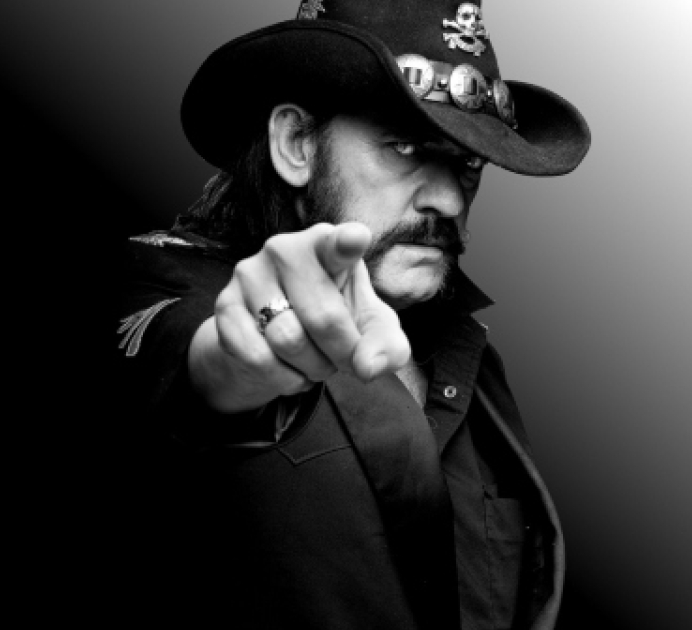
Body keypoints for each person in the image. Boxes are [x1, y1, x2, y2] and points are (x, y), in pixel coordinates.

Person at [112, 1, 590, 628]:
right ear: (296, 144)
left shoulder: (470, 360)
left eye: (468, 162)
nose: (449, 200)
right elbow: (181, 356)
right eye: (404, 146)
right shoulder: (152, 287)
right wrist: (234, 366)